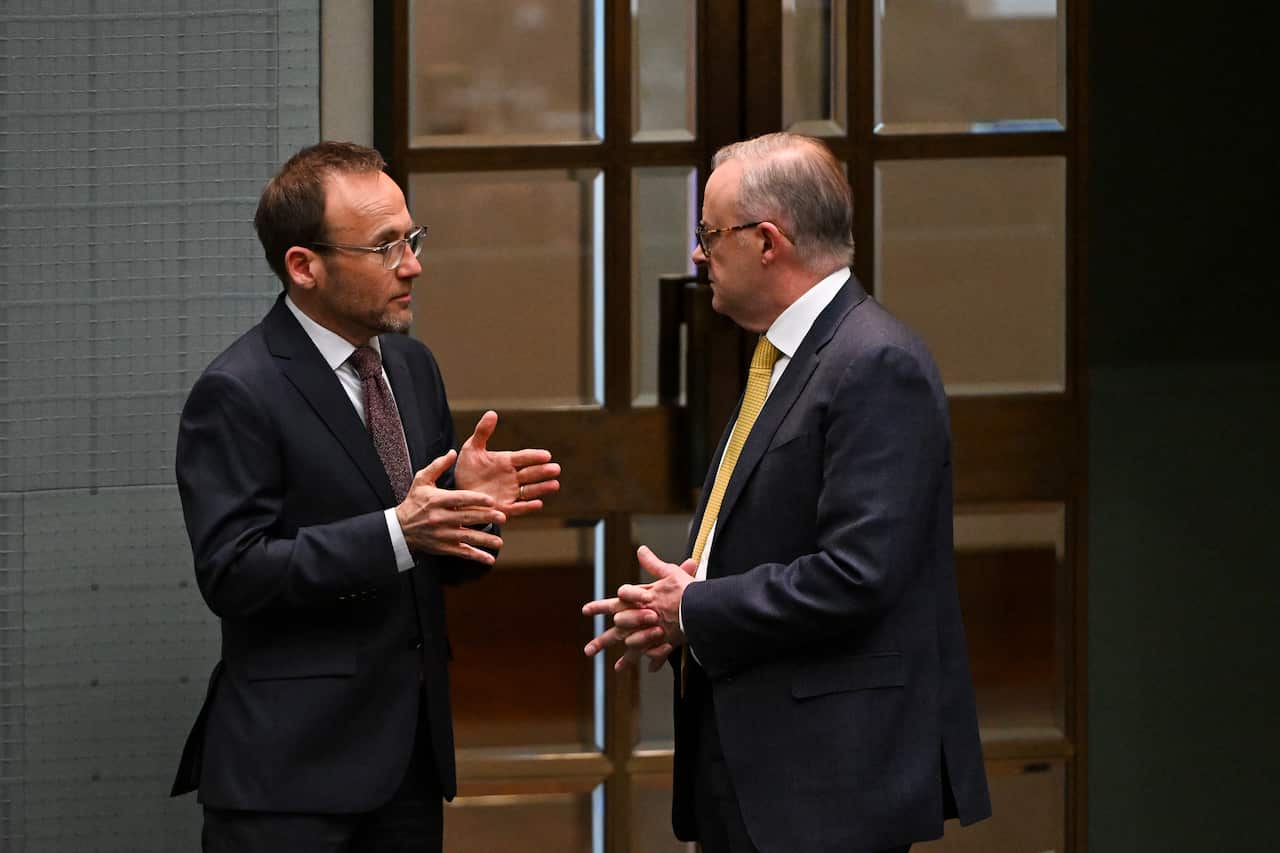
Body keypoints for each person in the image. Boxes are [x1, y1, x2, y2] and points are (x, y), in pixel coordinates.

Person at [583, 133, 991, 853]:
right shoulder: (789, 354)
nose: (698, 254)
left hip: (826, 783)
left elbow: (857, 574)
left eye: (709, 233)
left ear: (767, 241)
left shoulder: (875, 361)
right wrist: (684, 604)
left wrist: (698, 608)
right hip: (762, 764)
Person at [171, 141, 560, 853]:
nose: (413, 265)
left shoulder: (412, 367)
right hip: (290, 779)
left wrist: (467, 513)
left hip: (408, 761)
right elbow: (233, 571)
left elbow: (430, 559)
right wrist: (397, 532)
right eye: (385, 247)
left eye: (412, 239)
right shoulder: (238, 391)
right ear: (304, 265)